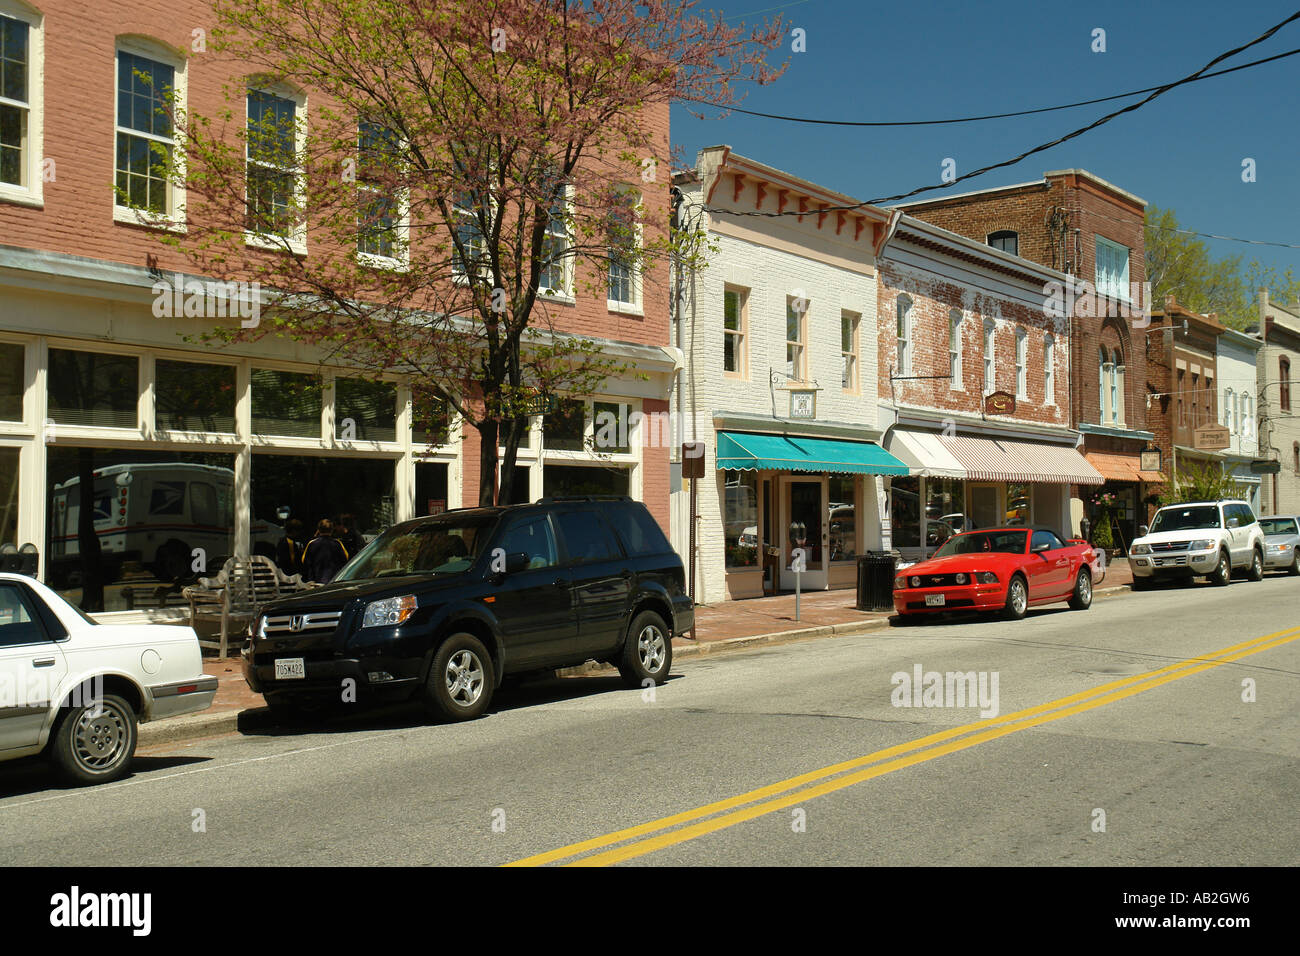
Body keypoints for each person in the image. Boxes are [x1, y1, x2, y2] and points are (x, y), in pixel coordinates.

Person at [302, 518, 349, 583]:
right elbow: (346, 559)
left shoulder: (311, 544)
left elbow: (305, 562)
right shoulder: (337, 544)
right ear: (332, 530)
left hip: (316, 581)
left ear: (318, 530)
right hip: (334, 580)